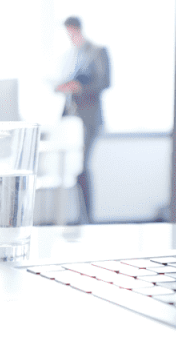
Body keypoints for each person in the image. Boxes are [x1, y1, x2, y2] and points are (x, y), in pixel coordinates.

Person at [54, 16, 111, 223]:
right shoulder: (69, 55)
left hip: (88, 119)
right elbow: (63, 81)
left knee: (82, 167)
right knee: (71, 168)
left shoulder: (97, 51)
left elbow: (104, 81)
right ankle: (78, 217)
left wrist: (80, 88)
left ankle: (87, 217)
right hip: (70, 120)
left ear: (77, 29)